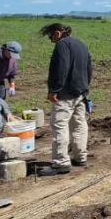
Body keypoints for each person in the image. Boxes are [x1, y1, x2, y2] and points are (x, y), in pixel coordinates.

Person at [37, 23, 92, 176]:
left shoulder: (62, 45)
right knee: (79, 124)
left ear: (57, 33)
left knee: (60, 125)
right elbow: (89, 68)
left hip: (65, 94)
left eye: (51, 37)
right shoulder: (81, 44)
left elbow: (61, 68)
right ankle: (80, 157)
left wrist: (54, 90)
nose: (51, 40)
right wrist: (85, 86)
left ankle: (61, 162)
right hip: (81, 92)